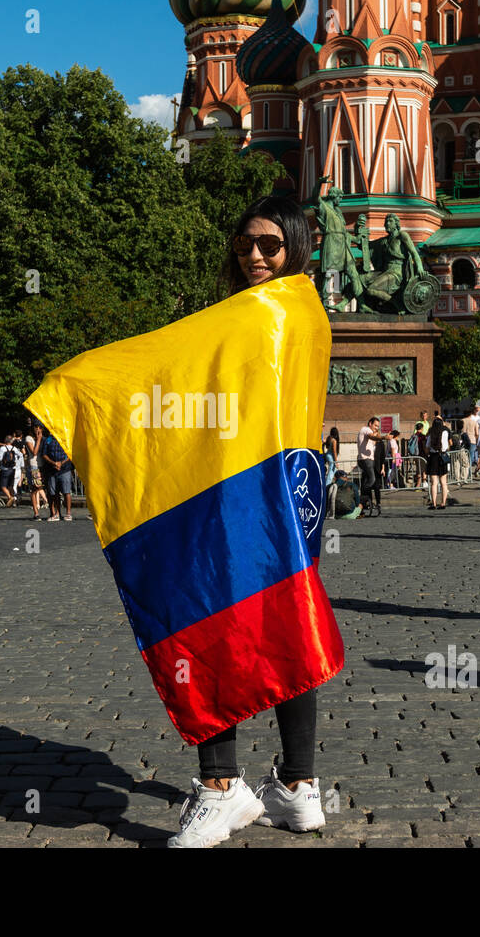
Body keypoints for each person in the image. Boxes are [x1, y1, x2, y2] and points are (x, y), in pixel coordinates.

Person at [169, 195, 332, 848]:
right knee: (286, 633)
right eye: (244, 247)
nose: (254, 256)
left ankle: (220, 788)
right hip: (287, 491)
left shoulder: (269, 313)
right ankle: (296, 788)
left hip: (250, 489)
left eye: (268, 244)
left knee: (207, 625)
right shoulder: (302, 311)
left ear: (296, 243)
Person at [42, 425, 75, 521]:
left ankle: (68, 513)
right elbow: (44, 454)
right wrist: (54, 463)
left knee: (66, 491)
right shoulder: (48, 440)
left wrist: (61, 463)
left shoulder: (65, 439)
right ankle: (57, 513)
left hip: (65, 468)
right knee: (54, 492)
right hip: (52, 469)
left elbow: (70, 453)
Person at [356, 417, 385, 516]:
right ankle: (359, 500)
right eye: (375, 425)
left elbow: (380, 453)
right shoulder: (366, 429)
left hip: (369, 462)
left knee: (368, 482)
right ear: (370, 424)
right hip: (366, 460)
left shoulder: (370, 436)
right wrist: (383, 437)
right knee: (372, 480)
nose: (377, 428)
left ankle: (362, 503)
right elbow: (372, 436)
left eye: (378, 426)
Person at [426, 410, 450, 509]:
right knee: (443, 482)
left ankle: (434, 503)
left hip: (433, 457)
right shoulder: (444, 432)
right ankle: (443, 503)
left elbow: (427, 446)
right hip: (442, 456)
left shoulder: (431, 433)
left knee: (434, 483)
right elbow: (446, 446)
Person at [25, 421, 47, 521]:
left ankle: (51, 510)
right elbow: (34, 452)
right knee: (35, 488)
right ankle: (36, 512)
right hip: (34, 466)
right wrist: (38, 440)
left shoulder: (44, 439)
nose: (38, 429)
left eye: (40, 427)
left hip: (43, 465)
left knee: (41, 487)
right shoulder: (29, 438)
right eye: (36, 427)